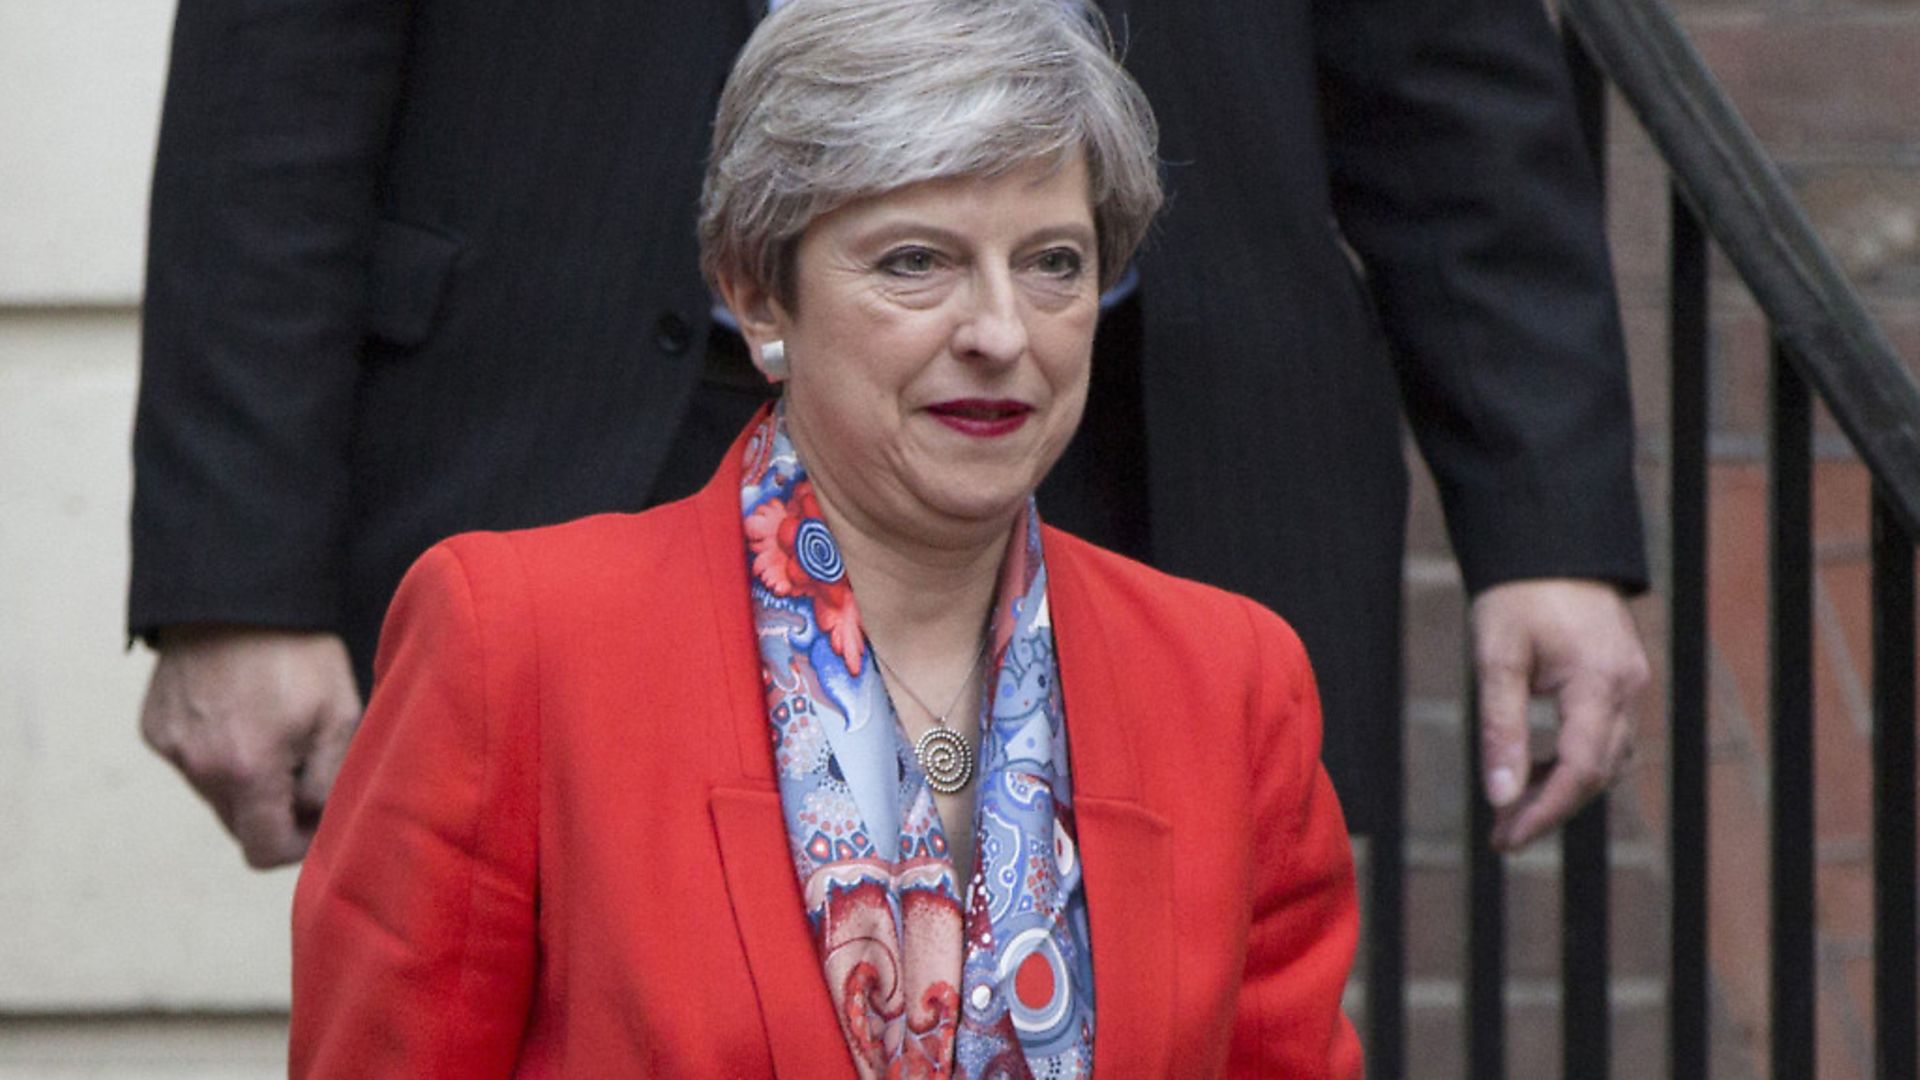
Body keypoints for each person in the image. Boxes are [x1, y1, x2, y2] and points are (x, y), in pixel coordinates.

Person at [133, 0, 1647, 869]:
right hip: (590, 438)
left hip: (1158, 460)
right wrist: (232, 571)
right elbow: (278, 68)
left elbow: (1451, 75)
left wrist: (1550, 516)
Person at [290, 2, 1361, 1074]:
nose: (999, 332)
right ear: (759, 294)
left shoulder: (1230, 682)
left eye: (1052, 263)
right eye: (914, 263)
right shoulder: (516, 644)